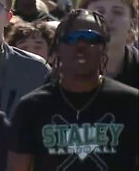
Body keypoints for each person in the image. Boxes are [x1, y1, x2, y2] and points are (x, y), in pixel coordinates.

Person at [8, 9, 139, 170]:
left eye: (91, 38)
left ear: (103, 48)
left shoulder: (130, 103)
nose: (81, 45)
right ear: (58, 48)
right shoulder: (31, 107)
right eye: (72, 38)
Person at [79, 0, 138, 89]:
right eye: (100, 11)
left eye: (117, 12)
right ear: (82, 20)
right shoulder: (66, 71)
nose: (107, 18)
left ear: (132, 24)